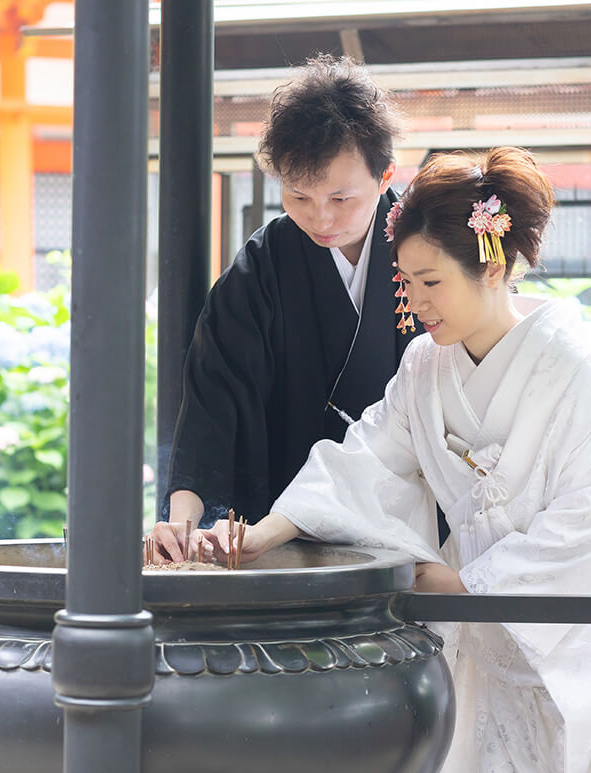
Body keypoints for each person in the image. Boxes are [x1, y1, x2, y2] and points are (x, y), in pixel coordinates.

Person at [193, 147, 591, 773]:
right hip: (475, 638)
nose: (415, 303)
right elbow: (365, 459)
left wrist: (465, 582)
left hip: (565, 637)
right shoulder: (426, 368)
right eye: (405, 282)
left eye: (431, 282)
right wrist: (265, 535)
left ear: (491, 266)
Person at [152, 54, 424, 561]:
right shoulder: (265, 264)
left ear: (385, 175)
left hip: (401, 516)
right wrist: (181, 521)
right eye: (298, 196)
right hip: (280, 516)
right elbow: (215, 396)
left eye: (341, 199)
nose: (321, 218)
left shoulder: (428, 249)